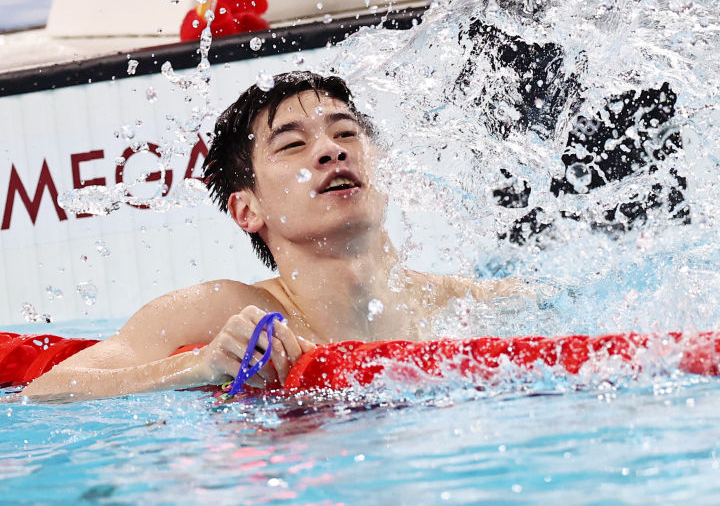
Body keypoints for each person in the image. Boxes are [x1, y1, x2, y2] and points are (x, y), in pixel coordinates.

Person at [24, 71, 520, 401]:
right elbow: (47, 390)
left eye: (346, 134)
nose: (331, 151)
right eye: (292, 145)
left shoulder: (470, 305)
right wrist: (200, 365)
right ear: (247, 210)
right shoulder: (224, 310)